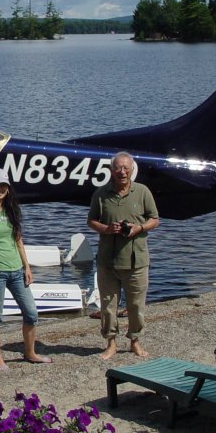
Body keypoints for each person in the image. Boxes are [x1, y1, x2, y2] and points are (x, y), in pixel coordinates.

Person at [0, 168, 51, 370]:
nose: (0, 189)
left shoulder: (12, 211)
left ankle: (30, 352)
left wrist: (27, 266)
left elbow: (19, 241)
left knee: (31, 313)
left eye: (4, 185)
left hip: (17, 271)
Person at [87, 151, 160, 360]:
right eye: (118, 168)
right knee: (108, 306)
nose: (122, 172)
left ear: (131, 170)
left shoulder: (142, 191)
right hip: (107, 261)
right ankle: (110, 343)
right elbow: (91, 221)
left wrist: (139, 228)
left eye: (126, 168)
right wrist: (107, 229)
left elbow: (155, 219)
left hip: (136, 261)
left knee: (136, 306)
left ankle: (135, 341)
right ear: (111, 171)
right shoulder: (101, 194)